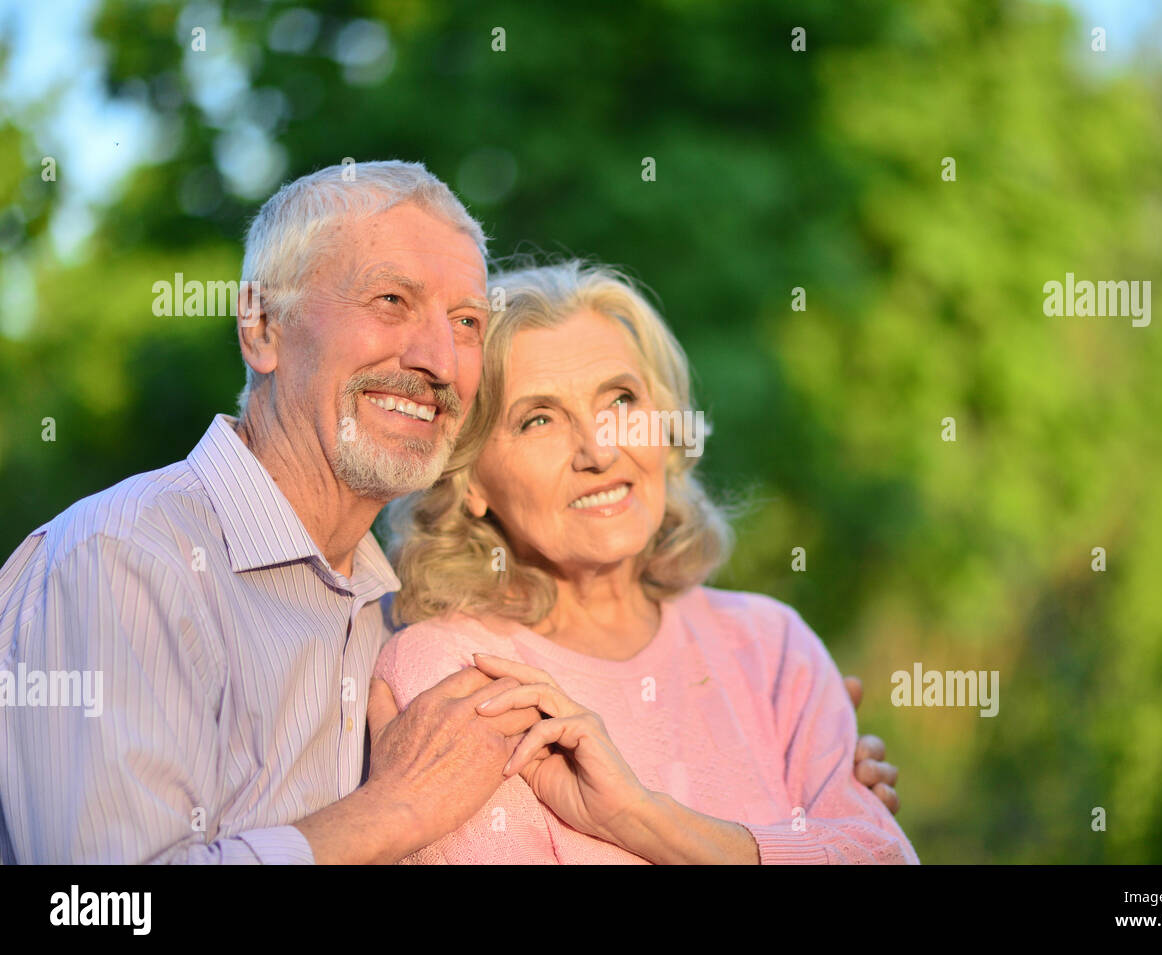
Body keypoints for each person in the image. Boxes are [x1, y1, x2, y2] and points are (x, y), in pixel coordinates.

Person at [0, 161, 897, 864]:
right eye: (391, 300)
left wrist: (789, 809)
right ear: (262, 326)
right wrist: (388, 814)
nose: (435, 356)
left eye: (465, 321)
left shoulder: (384, 611)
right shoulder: (120, 560)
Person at [377, 260, 917, 863]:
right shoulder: (451, 669)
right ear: (470, 480)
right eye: (539, 419)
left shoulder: (771, 644)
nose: (599, 451)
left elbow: (883, 854)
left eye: (621, 400)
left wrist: (638, 817)